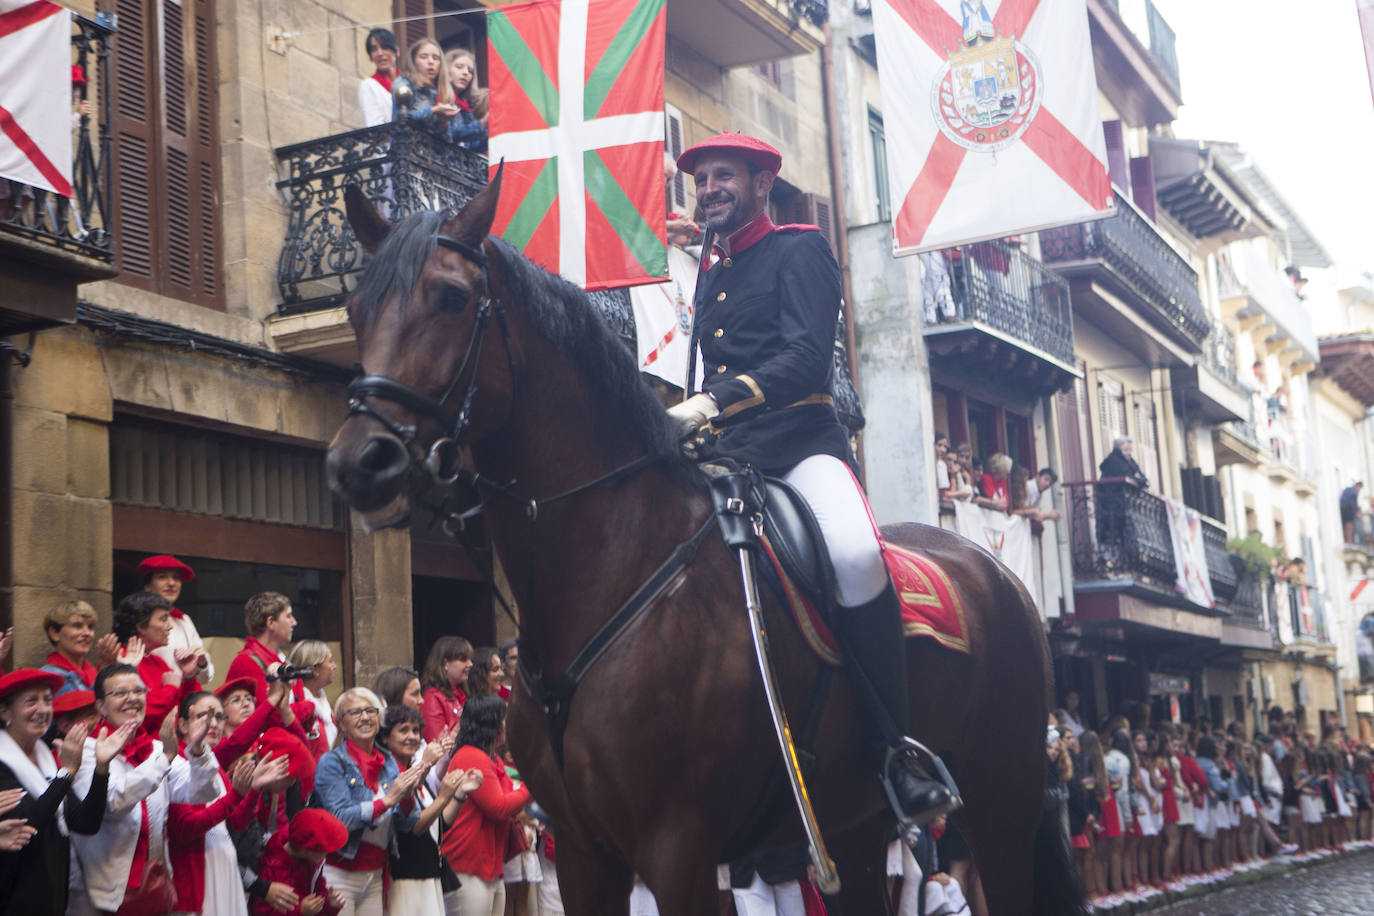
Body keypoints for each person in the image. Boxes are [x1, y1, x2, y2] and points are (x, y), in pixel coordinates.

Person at [667, 131, 952, 825]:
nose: (710, 190)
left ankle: (896, 749)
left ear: (763, 183)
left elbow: (802, 362)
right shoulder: (711, 269)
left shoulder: (801, 248)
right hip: (728, 453)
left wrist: (711, 402)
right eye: (702, 181)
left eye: (724, 177)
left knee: (856, 555)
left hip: (802, 445)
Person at [0, 668, 131, 915]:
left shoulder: (45, 758)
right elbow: (30, 824)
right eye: (31, 701)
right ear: (5, 711)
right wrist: (68, 771)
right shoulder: (3, 762)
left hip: (52, 896)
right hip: (14, 898)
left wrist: (101, 768)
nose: (43, 709)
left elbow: (86, 822)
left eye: (48, 700)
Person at [70, 662, 182, 915]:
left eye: (139, 691)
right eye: (120, 693)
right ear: (100, 706)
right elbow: (112, 802)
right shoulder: (86, 751)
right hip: (102, 896)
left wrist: (198, 752)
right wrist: (164, 760)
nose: (132, 699)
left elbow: (199, 791)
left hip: (153, 886)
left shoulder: (154, 748)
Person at [313, 687, 421, 916]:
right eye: (355, 712)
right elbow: (339, 818)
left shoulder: (388, 760)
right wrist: (389, 800)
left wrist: (407, 797)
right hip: (339, 872)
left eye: (370, 711)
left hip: (376, 873)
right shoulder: (332, 762)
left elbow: (408, 824)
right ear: (341, 723)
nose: (365, 717)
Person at [379, 704, 481, 916]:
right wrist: (442, 794)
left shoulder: (416, 775)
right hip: (405, 878)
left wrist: (459, 794)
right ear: (386, 737)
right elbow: (413, 828)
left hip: (429, 874)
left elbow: (438, 823)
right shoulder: (390, 775)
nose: (412, 736)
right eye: (403, 730)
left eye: (416, 731)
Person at [440, 695, 531, 916]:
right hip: (467, 864)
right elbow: (499, 808)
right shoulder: (471, 756)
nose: (509, 723)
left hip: (487, 864)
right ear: (491, 723)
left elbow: (511, 803)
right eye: (504, 718)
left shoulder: (491, 758)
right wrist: (533, 787)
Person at [113, 591, 205, 736]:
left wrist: (188, 677)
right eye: (163, 619)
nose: (169, 626)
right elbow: (138, 714)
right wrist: (170, 688)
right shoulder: (119, 661)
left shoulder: (157, 662)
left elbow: (190, 708)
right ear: (141, 626)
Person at [226, 592, 316, 727]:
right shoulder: (246, 663)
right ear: (271, 623)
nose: (294, 622)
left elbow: (305, 723)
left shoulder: (285, 662)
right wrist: (310, 706)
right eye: (288, 616)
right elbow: (270, 717)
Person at [251, 808, 349, 916]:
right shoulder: (272, 869)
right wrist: (300, 911)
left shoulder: (311, 862)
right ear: (306, 850)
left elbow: (316, 897)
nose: (326, 854)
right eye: (323, 850)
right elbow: (262, 911)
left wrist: (328, 904)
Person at [140, 554, 214, 684]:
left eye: (176, 577)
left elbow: (205, 679)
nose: (171, 583)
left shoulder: (184, 621)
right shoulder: (139, 619)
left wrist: (202, 663)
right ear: (148, 586)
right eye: (162, 577)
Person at [289, 640, 339, 759]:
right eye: (330, 661)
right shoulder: (292, 703)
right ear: (315, 669)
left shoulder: (325, 704)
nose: (334, 666)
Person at [420, 636, 474, 743]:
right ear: (445, 664)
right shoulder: (432, 698)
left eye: (470, 659)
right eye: (463, 659)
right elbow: (436, 743)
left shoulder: (461, 694)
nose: (470, 664)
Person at [40, 600, 100, 694]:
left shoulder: (91, 671)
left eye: (90, 627)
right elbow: (88, 707)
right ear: (54, 633)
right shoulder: (52, 676)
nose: (87, 633)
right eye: (77, 626)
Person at [442, 48, 489, 152]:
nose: (466, 73)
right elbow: (446, 135)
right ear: (446, 69)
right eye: (459, 67)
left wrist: (490, 132)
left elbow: (471, 147)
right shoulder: (439, 98)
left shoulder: (465, 108)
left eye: (470, 71)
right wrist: (481, 125)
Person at [358, 27, 399, 128]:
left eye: (384, 47)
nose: (380, 53)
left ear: (396, 51)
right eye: (374, 49)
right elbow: (375, 126)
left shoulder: (409, 82)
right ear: (371, 57)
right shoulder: (369, 85)